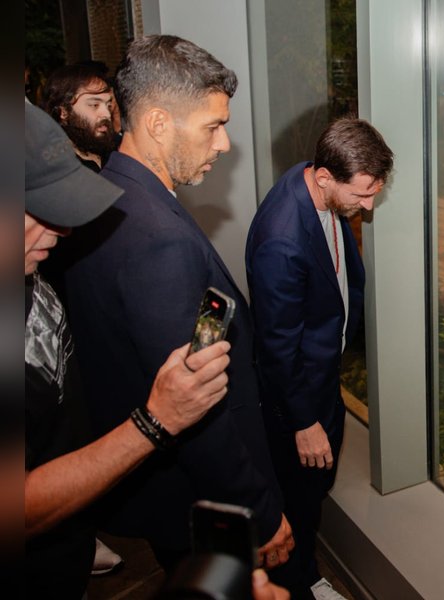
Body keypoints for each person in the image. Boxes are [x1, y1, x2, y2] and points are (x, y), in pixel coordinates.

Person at [59, 35, 294, 571]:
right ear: (160, 124)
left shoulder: (109, 195)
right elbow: (195, 404)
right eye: (213, 125)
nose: (225, 144)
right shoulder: (158, 240)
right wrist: (258, 509)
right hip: (198, 500)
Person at [24, 100, 233, 598]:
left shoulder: (28, 269)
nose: (62, 228)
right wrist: (155, 420)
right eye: (35, 211)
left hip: (65, 558)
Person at [246, 117, 394, 599]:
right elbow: (277, 345)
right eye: (364, 194)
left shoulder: (312, 180)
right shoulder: (281, 242)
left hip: (320, 373)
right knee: (299, 498)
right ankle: (297, 581)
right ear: (327, 177)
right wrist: (303, 421)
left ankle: (301, 567)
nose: (369, 206)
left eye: (376, 191)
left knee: (315, 486)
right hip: (298, 396)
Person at [41, 63, 118, 172]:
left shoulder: (116, 153)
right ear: (64, 112)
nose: (107, 114)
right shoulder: (53, 169)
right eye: (94, 105)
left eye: (109, 106)